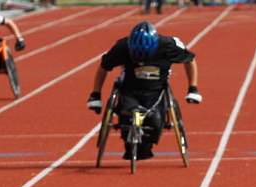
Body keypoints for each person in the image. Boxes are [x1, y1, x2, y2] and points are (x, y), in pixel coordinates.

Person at [86, 21, 202, 161]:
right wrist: (96, 94)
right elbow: (104, 66)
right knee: (127, 114)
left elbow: (190, 60)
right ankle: (130, 140)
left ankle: (147, 143)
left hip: (156, 92)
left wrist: (193, 88)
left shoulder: (168, 45)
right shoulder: (121, 47)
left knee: (155, 120)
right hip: (129, 90)